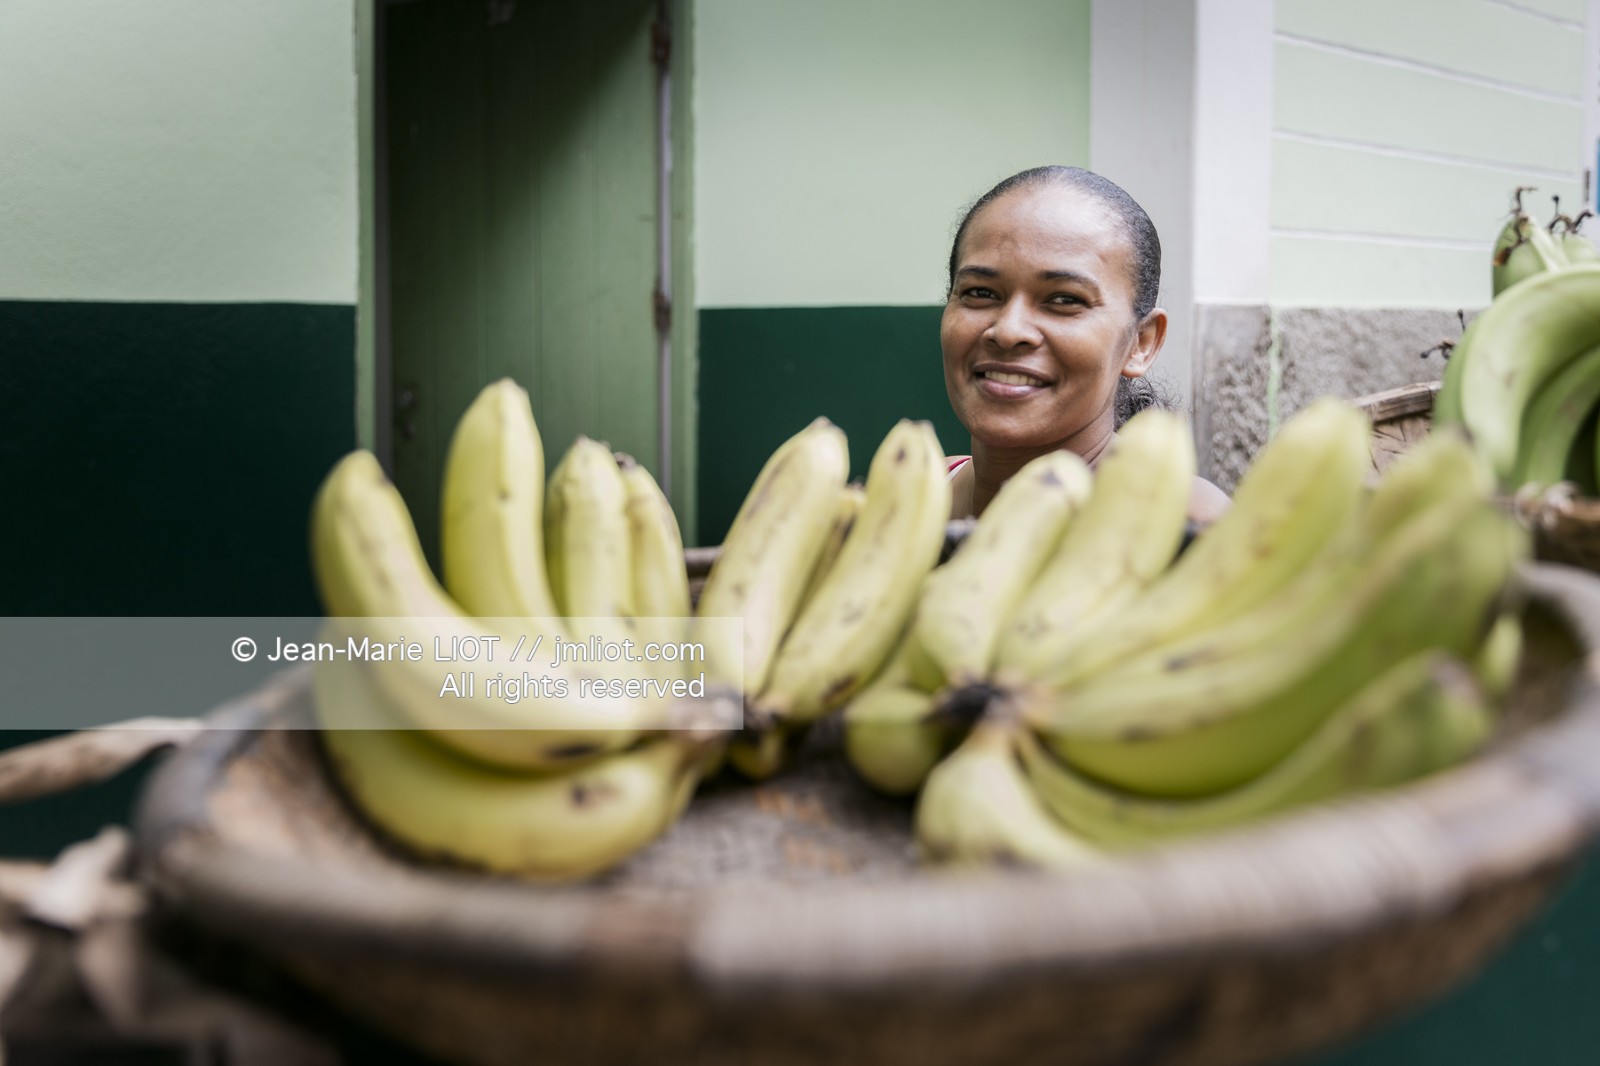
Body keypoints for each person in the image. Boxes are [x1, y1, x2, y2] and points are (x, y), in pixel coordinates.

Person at [941, 166, 1230, 522]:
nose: (1008, 331)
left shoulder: (1183, 521)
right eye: (980, 293)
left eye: (1065, 300)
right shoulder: (905, 500)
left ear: (1141, 342)